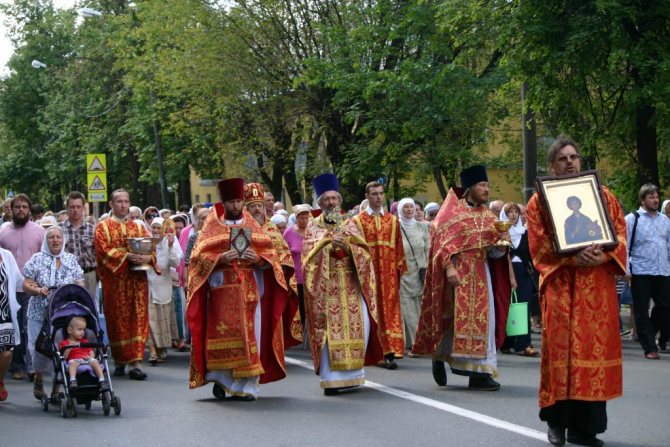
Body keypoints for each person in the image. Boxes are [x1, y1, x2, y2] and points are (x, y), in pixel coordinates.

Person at [526, 136, 626, 447]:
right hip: (561, 288)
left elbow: (619, 234)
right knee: (561, 354)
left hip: (597, 288)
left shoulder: (604, 197)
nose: (570, 162)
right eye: (563, 158)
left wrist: (605, 255)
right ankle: (556, 423)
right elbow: (539, 246)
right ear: (552, 166)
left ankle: (586, 428)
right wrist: (571, 257)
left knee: (592, 353)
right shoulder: (539, 202)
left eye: (574, 157)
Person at [187, 178, 299, 401]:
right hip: (221, 289)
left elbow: (271, 255)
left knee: (252, 334)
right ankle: (222, 379)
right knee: (222, 335)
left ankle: (247, 385)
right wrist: (219, 258)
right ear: (224, 202)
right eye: (232, 202)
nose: (236, 206)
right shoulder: (212, 224)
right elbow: (197, 259)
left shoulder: (252, 224)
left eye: (239, 201)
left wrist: (258, 259)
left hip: (249, 289)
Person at [413, 165, 513, 392]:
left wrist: (502, 243)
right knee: (451, 321)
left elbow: (494, 252)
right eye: (482, 185)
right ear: (469, 189)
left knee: (483, 323)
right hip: (456, 275)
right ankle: (438, 356)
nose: (486, 190)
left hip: (480, 273)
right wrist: (449, 268)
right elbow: (440, 245)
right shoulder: (452, 214)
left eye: (487, 185)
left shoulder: (489, 217)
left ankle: (479, 374)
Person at [302, 173, 383, 395]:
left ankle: (353, 375)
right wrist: (326, 246)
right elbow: (307, 260)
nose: (331, 203)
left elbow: (365, 254)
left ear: (339, 201)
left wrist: (348, 248)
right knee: (330, 332)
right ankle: (331, 380)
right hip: (327, 289)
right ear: (320, 203)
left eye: (334, 199)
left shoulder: (350, 224)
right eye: (326, 199)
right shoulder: (313, 228)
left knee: (359, 326)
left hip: (351, 285)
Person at [94, 189, 156, 380]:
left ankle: (135, 363)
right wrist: (127, 255)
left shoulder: (138, 228)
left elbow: (150, 251)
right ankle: (120, 360)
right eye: (119, 201)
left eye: (126, 201)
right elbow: (103, 252)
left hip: (137, 283)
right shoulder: (102, 227)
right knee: (117, 321)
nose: (123, 205)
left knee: (137, 319)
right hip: (116, 283)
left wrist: (146, 257)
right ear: (111, 204)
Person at [22, 226, 84, 399]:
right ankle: (39, 377)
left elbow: (80, 282)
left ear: (63, 240)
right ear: (46, 241)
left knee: (60, 347)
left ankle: (56, 390)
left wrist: (78, 288)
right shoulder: (37, 259)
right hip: (39, 311)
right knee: (37, 346)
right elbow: (26, 283)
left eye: (58, 237)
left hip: (63, 313)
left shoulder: (70, 259)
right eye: (51, 238)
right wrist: (36, 290)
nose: (55, 240)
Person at [352, 181, 407, 369]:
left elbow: (399, 249)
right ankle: (374, 350)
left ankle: (391, 349)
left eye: (381, 193)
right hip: (369, 275)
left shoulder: (392, 220)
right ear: (367, 196)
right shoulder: (358, 221)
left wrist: (399, 270)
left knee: (389, 311)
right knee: (371, 310)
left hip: (389, 275)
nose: (378, 197)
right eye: (374, 194)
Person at [0, 193, 46, 381]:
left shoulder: (39, 231)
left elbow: (44, 258)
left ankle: (32, 366)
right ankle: (16, 367)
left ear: (29, 210)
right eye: (17, 207)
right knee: (15, 328)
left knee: (31, 327)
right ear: (11, 209)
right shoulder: (3, 231)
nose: (20, 210)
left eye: (24, 207)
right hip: (9, 290)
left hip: (32, 288)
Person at [625, 183, 670, 360]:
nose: (655, 200)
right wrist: (626, 269)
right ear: (642, 200)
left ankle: (648, 332)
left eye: (657, 197)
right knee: (641, 309)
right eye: (651, 197)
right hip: (641, 270)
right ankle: (650, 347)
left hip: (662, 270)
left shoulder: (665, 220)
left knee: (666, 306)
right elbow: (625, 246)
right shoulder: (632, 219)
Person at [499, 202, 538, 357]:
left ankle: (524, 344)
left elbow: (531, 255)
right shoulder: (500, 232)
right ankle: (506, 342)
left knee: (523, 307)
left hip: (523, 273)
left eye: (516, 211)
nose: (514, 215)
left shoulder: (524, 233)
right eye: (510, 212)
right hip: (505, 273)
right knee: (508, 307)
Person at [147, 217, 183, 365]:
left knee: (161, 322)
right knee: (150, 321)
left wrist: (170, 246)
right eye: (153, 227)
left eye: (158, 228)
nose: (155, 230)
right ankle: (152, 350)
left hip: (163, 288)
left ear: (163, 230)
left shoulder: (168, 245)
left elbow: (175, 263)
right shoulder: (146, 244)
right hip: (148, 287)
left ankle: (161, 349)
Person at [397, 198, 430, 352]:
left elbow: (428, 248)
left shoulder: (422, 227)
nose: (409, 210)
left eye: (412, 207)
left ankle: (422, 340)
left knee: (420, 305)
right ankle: (411, 341)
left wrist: (428, 268)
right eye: (406, 207)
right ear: (400, 209)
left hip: (420, 272)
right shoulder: (396, 227)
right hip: (404, 273)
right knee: (406, 307)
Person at [61, 191, 98, 305]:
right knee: (68, 308)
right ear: (67, 208)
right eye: (72, 207)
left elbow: (98, 253)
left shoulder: (93, 229)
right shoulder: (59, 229)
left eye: (78, 207)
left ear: (83, 208)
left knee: (90, 307)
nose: (75, 210)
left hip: (89, 274)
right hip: (67, 275)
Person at [0, 247, 25, 402]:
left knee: (7, 353)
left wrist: (36, 286)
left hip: (3, 311)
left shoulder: (6, 255)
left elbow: (20, 280)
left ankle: (0, 380)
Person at [58, 316, 109, 391]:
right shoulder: (65, 343)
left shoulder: (85, 342)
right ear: (70, 330)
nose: (83, 332)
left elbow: (92, 353)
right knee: (72, 364)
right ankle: (73, 380)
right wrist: (68, 350)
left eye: (83, 330)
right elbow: (64, 358)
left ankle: (102, 380)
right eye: (79, 329)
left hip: (86, 359)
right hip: (74, 360)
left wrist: (90, 357)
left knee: (95, 362)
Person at [282, 204, 311, 328]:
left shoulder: (313, 232)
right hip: (296, 277)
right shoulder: (289, 232)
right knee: (300, 306)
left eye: (306, 218)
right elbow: (283, 252)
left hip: (312, 275)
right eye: (301, 218)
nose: (304, 221)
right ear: (296, 218)